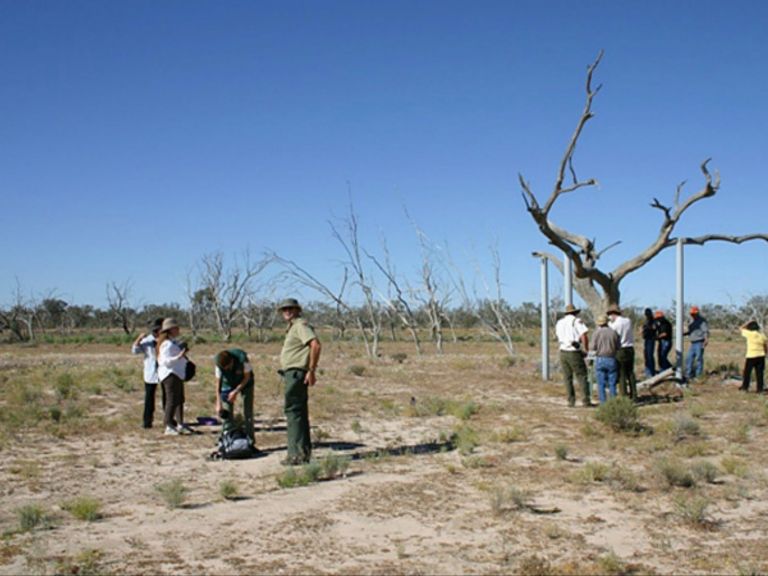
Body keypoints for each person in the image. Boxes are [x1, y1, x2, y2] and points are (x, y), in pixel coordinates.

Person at [278, 298, 322, 464]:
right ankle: (302, 453)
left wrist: (311, 370)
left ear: (297, 310)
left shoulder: (300, 326)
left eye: (290, 308)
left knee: (294, 412)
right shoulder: (293, 328)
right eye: (284, 309)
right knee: (298, 412)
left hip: (296, 373)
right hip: (292, 373)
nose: (287, 311)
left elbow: (315, 345)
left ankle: (296, 455)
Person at [156, 318, 190, 435]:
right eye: (176, 328)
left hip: (177, 374)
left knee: (179, 399)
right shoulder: (166, 344)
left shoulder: (172, 342)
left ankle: (180, 424)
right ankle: (168, 425)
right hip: (170, 374)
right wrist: (179, 357)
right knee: (171, 400)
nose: (178, 330)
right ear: (170, 330)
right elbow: (165, 361)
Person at [215, 349, 256, 444]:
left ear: (232, 361)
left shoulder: (243, 359)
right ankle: (226, 438)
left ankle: (250, 441)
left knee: (248, 412)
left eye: (227, 367)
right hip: (228, 383)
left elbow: (247, 377)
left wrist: (236, 391)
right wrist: (218, 402)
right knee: (227, 412)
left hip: (246, 383)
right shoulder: (218, 363)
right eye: (223, 368)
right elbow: (218, 383)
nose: (226, 369)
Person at [555, 304, 591, 407]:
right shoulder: (576, 321)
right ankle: (585, 400)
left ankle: (571, 401)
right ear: (575, 312)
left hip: (562, 351)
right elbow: (584, 335)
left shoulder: (560, 322)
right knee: (582, 376)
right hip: (573, 351)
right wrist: (586, 349)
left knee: (567, 377)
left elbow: (558, 336)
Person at [131, 317, 164, 428]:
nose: (156, 332)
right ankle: (147, 421)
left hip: (164, 372)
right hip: (150, 373)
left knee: (167, 397)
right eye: (155, 330)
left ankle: (169, 420)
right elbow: (134, 350)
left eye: (158, 330)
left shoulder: (165, 340)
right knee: (149, 398)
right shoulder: (147, 341)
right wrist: (139, 339)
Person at [607, 305, 637, 399]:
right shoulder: (628, 321)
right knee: (630, 372)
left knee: (621, 373)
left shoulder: (614, 325)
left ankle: (624, 395)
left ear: (612, 314)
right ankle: (634, 394)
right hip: (630, 348)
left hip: (620, 349)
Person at [589, 315, 621, 403]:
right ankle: (613, 402)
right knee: (612, 383)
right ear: (607, 322)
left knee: (601, 383)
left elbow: (592, 347)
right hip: (611, 358)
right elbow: (618, 346)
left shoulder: (596, 333)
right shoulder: (614, 332)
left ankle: (603, 403)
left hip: (600, 358)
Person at [739, 320, 767, 393]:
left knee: (747, 373)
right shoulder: (762, 335)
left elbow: (741, 328)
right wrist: (766, 353)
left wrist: (748, 322)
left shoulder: (749, 334)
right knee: (760, 373)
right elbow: (765, 346)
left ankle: (745, 387)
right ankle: (760, 389)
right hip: (761, 355)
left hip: (751, 356)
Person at [684, 306, 709, 380]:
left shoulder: (702, 321)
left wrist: (706, 340)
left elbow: (705, 331)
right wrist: (684, 333)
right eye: (691, 314)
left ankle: (698, 375)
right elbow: (691, 331)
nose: (692, 315)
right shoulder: (691, 321)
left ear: (697, 313)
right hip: (693, 342)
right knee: (689, 358)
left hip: (699, 342)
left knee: (699, 358)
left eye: (694, 314)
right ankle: (688, 374)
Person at [641, 308, 656, 377]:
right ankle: (647, 370)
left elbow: (654, 328)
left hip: (651, 339)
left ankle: (651, 371)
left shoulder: (653, 321)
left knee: (649, 355)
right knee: (646, 355)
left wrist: (646, 328)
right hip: (646, 339)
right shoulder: (647, 321)